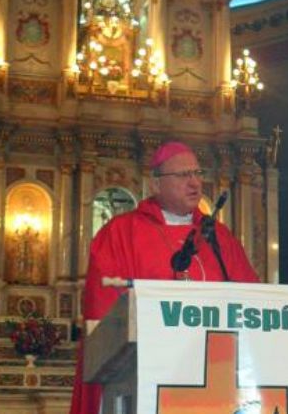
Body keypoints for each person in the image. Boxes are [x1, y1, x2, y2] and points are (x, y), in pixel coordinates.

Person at [69, 140, 260, 414]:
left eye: (197, 173)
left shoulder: (217, 237)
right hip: (142, 381)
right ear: (156, 184)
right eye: (184, 175)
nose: (195, 183)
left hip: (216, 378)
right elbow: (103, 313)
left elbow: (250, 298)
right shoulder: (121, 233)